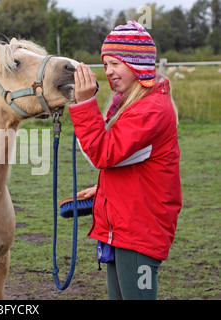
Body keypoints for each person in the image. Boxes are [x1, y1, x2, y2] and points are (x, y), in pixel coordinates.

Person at [68, 21, 182, 300]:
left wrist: (83, 105)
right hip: (124, 226)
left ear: (137, 64)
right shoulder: (129, 103)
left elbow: (103, 153)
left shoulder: (150, 109)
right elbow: (124, 161)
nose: (108, 71)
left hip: (139, 230)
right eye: (105, 64)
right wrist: (106, 190)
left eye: (115, 63)